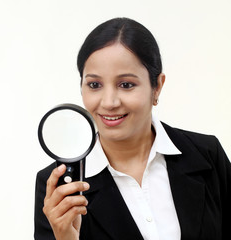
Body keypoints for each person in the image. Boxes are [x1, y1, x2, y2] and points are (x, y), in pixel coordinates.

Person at [34, 17, 231, 240]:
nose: (109, 102)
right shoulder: (57, 188)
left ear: (157, 87)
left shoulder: (207, 154)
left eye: (126, 84)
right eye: (94, 85)